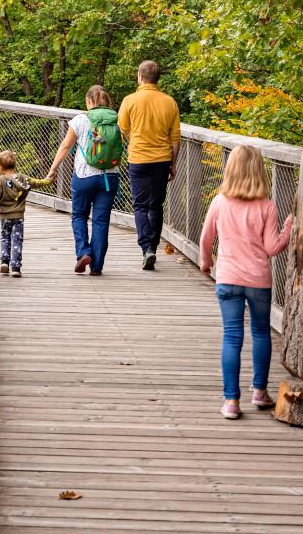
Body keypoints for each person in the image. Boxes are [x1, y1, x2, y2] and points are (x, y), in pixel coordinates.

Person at [198, 144, 292, 420]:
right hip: (258, 280)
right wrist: (288, 230)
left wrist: (206, 261)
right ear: (259, 172)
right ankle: (259, 392)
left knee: (232, 336)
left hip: (227, 278)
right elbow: (272, 248)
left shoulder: (219, 202)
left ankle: (231, 401)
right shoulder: (267, 206)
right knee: (261, 331)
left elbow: (206, 239)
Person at [46, 85, 125, 275]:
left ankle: (83, 252)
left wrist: (53, 169)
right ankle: (97, 267)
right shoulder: (116, 121)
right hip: (110, 177)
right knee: (101, 221)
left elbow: (66, 146)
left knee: (79, 215)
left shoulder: (80, 120)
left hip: (84, 176)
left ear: (89, 101)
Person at [118, 60, 181, 270]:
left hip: (138, 159)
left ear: (140, 76)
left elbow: (122, 130)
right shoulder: (169, 102)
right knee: (156, 205)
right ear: (157, 78)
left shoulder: (129, 100)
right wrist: (173, 164)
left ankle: (146, 248)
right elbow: (175, 137)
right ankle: (152, 246)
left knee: (140, 205)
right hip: (162, 160)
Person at [0, 150, 52, 277]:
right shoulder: (24, 179)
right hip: (18, 216)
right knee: (17, 240)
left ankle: (4, 262)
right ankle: (16, 268)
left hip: (5, 217)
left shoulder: (0, 181)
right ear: (15, 165)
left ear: (0, 167)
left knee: (5, 237)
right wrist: (49, 180)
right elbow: (38, 183)